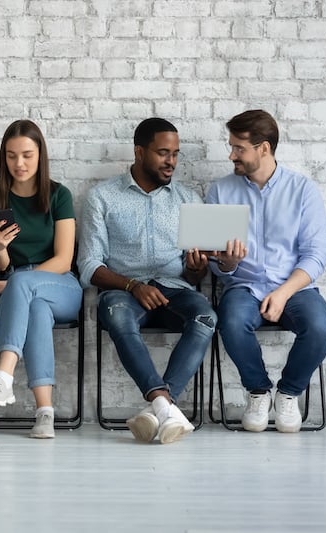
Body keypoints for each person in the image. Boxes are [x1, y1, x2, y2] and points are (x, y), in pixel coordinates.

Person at [77, 117, 216, 444]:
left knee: (207, 315)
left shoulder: (187, 199)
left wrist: (197, 267)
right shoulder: (102, 197)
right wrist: (132, 286)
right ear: (139, 152)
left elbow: (193, 271)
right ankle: (165, 407)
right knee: (118, 317)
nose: (171, 162)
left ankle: (160, 408)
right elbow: (88, 264)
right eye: (163, 153)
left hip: (175, 289)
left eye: (175, 154)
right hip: (123, 291)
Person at [207, 109, 326, 433]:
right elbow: (213, 261)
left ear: (263, 148)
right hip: (244, 287)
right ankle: (258, 391)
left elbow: (316, 255)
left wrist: (283, 293)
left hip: (293, 288)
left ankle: (289, 394)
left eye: (239, 148)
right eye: (231, 146)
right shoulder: (220, 192)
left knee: (320, 326)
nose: (231, 154)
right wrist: (228, 262)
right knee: (231, 322)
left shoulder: (303, 190)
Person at [0, 119, 83, 439]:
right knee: (34, 308)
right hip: (20, 290)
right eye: (11, 156)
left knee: (22, 283)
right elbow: (4, 264)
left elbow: (64, 260)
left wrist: (17, 281)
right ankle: (45, 412)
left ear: (40, 155)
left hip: (60, 284)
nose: (18, 164)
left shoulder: (58, 195)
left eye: (27, 155)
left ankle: (4, 375)